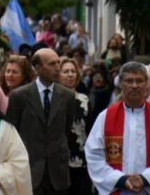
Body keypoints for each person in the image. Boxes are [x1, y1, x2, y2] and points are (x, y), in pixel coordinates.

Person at [85, 62, 150, 195]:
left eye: (139, 81)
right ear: (121, 83)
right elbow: (93, 155)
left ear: (147, 84)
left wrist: (145, 179)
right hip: (117, 189)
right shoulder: (105, 117)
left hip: (148, 190)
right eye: (129, 81)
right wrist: (120, 179)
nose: (134, 85)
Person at [6, 48, 75, 194]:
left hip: (58, 172)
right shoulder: (19, 96)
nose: (57, 68)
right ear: (37, 68)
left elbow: (66, 130)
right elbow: (11, 133)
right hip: (29, 170)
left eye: (58, 63)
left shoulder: (67, 96)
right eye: (51, 64)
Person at [58, 57, 91, 195]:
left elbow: (90, 128)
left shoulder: (84, 99)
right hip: (59, 160)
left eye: (73, 71)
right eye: (66, 71)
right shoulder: (52, 99)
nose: (70, 74)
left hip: (81, 159)